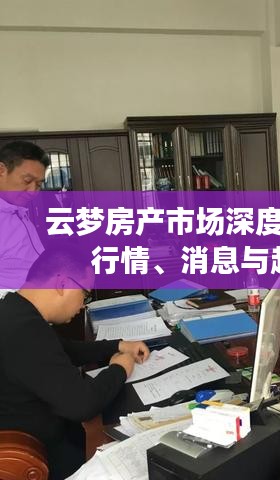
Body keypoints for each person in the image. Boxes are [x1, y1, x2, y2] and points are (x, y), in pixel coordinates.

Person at [0, 247, 150, 479]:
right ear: (62, 284)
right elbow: (83, 405)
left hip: (39, 432)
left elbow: (64, 349)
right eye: (84, 294)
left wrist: (119, 346)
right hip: (37, 455)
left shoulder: (14, 310)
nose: (82, 305)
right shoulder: (24, 331)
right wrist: (120, 368)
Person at [0, 140, 50, 296]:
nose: (33, 191)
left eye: (39, 184)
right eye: (27, 181)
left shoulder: (18, 213)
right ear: (1, 171)